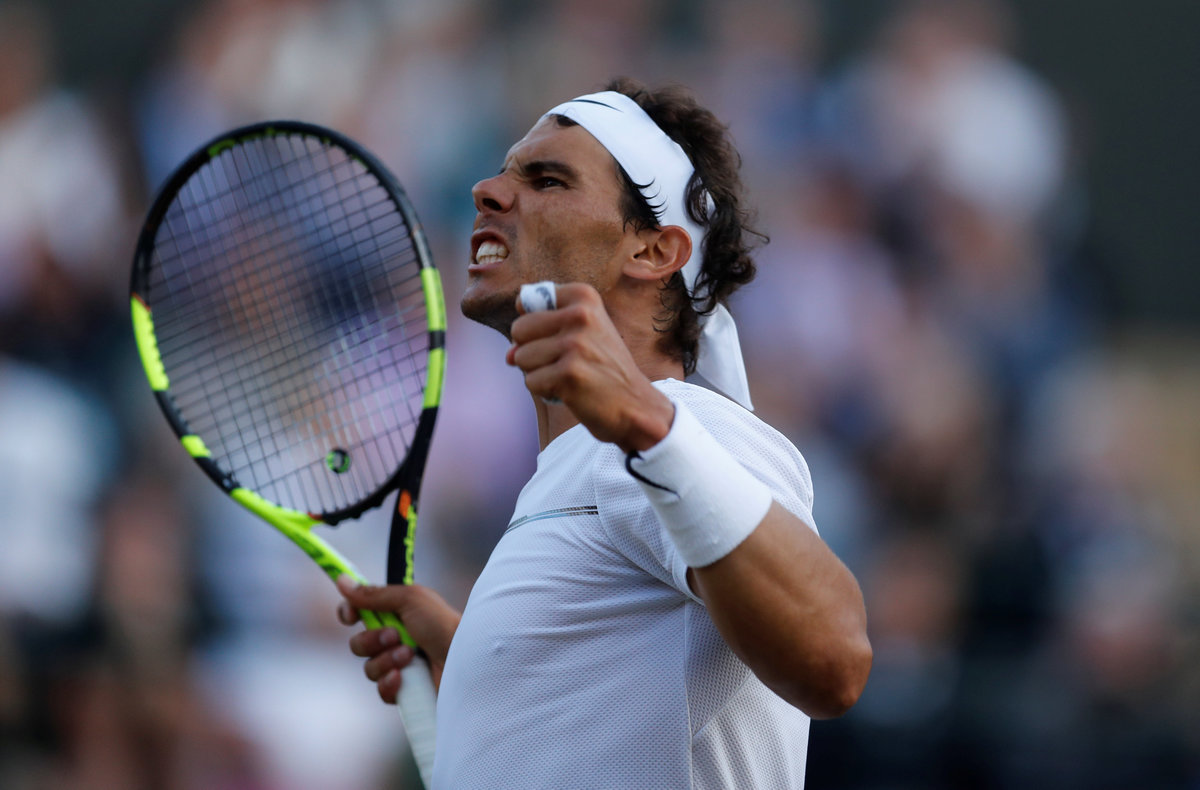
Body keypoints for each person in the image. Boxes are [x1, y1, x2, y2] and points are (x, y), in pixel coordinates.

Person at [335, 77, 872, 788]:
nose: (486, 192)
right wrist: (483, 667)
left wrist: (646, 422)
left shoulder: (678, 426)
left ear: (651, 251)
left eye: (547, 179)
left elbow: (836, 659)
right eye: (503, 172)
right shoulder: (587, 466)